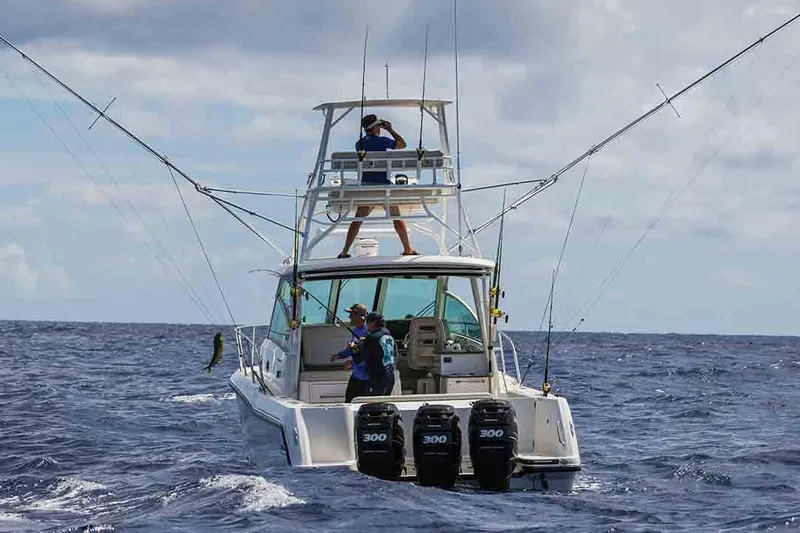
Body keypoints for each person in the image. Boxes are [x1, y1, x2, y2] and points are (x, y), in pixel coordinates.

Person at [337, 114, 418, 258]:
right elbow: (402, 144)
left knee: (357, 219)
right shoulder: (383, 141)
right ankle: (407, 249)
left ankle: (345, 251)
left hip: (367, 190)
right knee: (397, 217)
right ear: (376, 127)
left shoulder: (359, 144)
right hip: (384, 189)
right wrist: (390, 129)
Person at [329, 303, 370, 403]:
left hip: (367, 379)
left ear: (360, 316)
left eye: (352, 314)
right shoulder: (355, 330)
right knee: (348, 403)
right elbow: (352, 349)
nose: (349, 317)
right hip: (356, 376)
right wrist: (339, 355)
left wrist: (352, 364)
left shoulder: (369, 332)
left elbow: (369, 356)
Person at [352, 311, 396, 396]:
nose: (366, 324)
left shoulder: (371, 338)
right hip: (390, 377)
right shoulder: (387, 333)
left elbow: (358, 359)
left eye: (367, 322)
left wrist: (354, 348)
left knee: (373, 406)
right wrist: (365, 342)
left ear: (374, 323)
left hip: (378, 379)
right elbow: (378, 347)